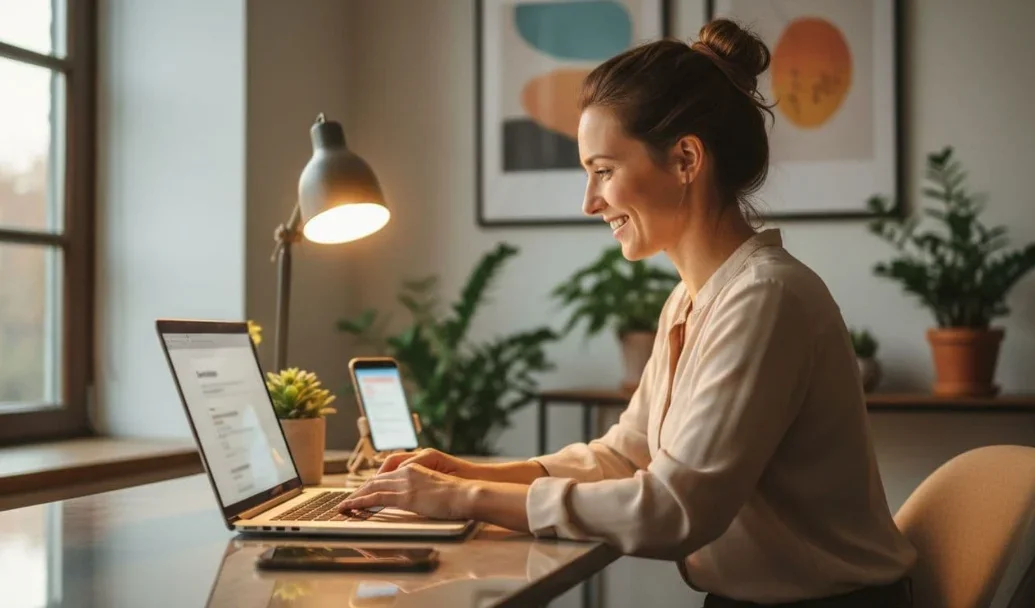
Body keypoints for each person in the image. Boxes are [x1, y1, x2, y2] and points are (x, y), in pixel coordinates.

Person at [339, 17, 916, 607]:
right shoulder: (696, 297)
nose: (590, 202)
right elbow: (624, 455)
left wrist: (463, 500)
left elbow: (674, 511)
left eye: (604, 172)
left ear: (686, 159)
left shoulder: (764, 299)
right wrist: (467, 474)